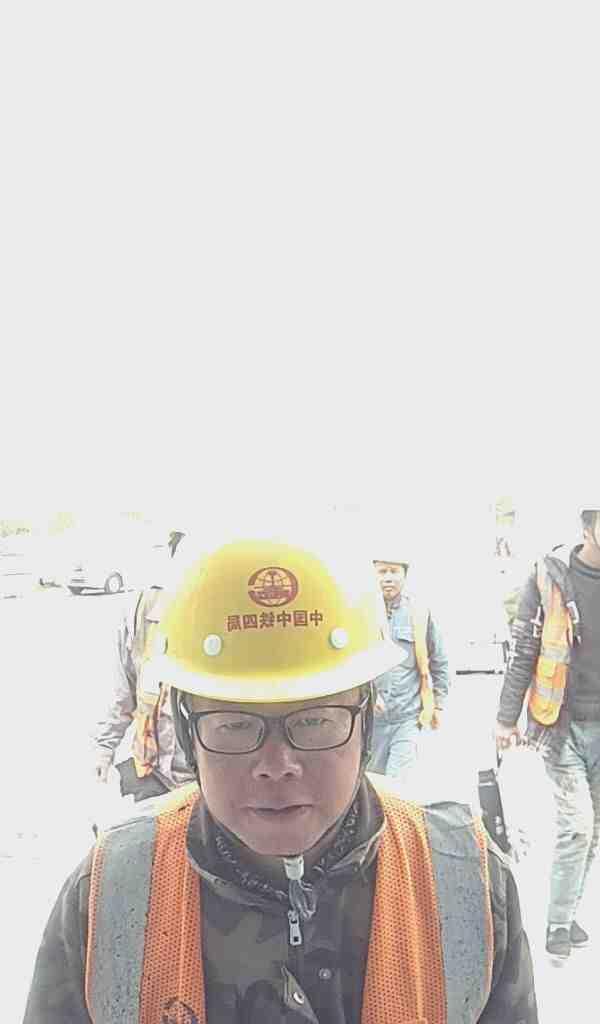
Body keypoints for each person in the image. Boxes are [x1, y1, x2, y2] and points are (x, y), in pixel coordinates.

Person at [26, 527, 537, 1023]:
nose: (276, 765)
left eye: (314, 721)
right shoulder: (114, 889)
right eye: (234, 724)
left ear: (367, 719)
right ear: (187, 730)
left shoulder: (462, 880)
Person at [495, 503, 600, 960]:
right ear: (587, 526)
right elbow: (524, 649)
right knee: (577, 826)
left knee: (594, 831)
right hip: (560, 724)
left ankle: (567, 914)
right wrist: (505, 718)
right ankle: (557, 922)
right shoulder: (549, 577)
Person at [93, 529, 195, 801]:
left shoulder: (233, 624)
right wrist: (104, 748)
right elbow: (122, 692)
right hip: (152, 774)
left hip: (209, 784)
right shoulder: (142, 611)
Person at [370, 553, 450, 776]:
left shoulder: (419, 612)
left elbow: (440, 662)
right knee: (373, 784)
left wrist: (438, 704)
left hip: (407, 718)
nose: (388, 578)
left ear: (404, 575)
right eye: (382, 572)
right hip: (370, 721)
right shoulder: (361, 614)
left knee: (399, 785)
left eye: (394, 571)